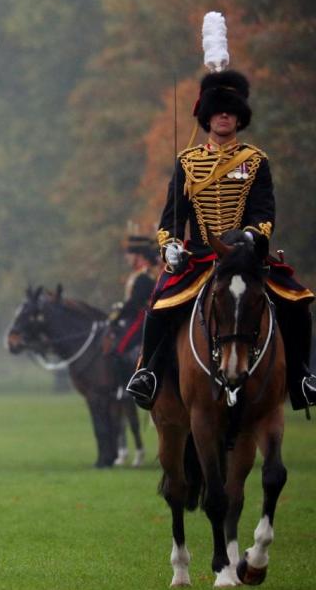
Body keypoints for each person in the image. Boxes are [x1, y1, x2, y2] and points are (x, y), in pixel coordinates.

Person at [126, 70, 316, 411]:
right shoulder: (188, 162)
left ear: (239, 117)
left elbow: (264, 211)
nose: (224, 115)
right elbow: (172, 215)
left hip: (246, 256)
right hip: (198, 256)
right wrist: (169, 245)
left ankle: (302, 377)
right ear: (207, 117)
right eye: (217, 110)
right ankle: (147, 373)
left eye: (230, 110)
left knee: (297, 302)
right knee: (157, 307)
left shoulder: (256, 161)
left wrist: (252, 236)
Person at [109, 235, 158, 387]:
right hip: (135, 316)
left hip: (141, 317)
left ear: (138, 256)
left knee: (119, 349)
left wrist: (118, 315)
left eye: (129, 254)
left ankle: (126, 387)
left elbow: (135, 302)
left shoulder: (144, 277)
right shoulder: (138, 275)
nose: (126, 258)